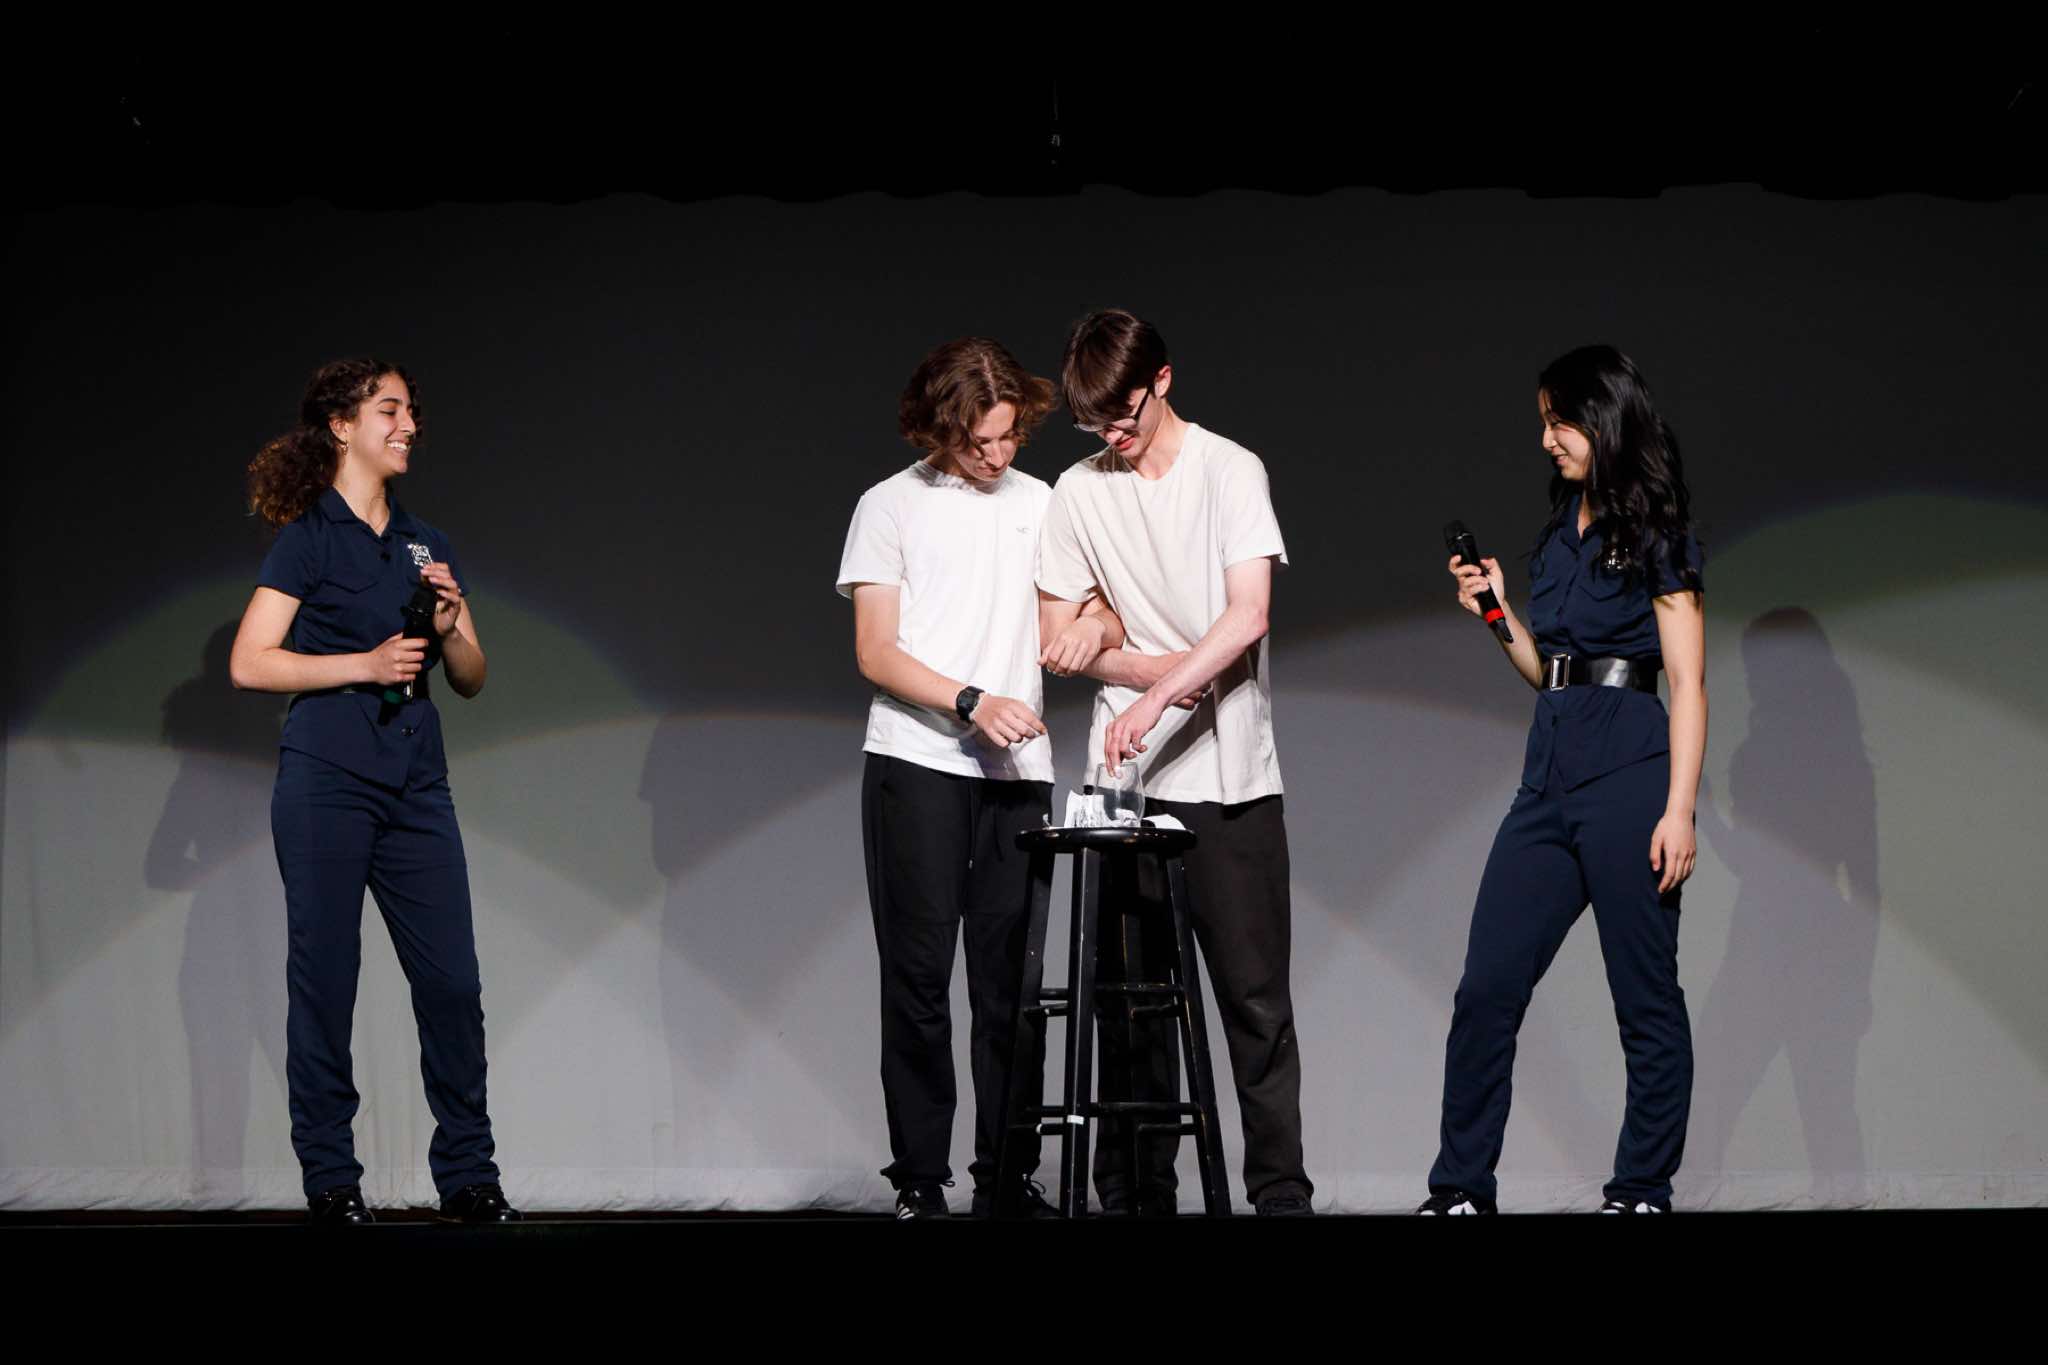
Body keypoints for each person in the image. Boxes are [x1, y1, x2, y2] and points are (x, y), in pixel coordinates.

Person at [1037, 309, 1315, 1217]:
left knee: (1256, 1008)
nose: (1111, 437)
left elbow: (1248, 615)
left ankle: (1281, 1198)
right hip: (1126, 790)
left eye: (1122, 417)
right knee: (1130, 1012)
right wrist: (1151, 666)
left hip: (1231, 783)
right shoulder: (1078, 491)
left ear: (1161, 380)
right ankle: (1135, 1199)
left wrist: (1156, 693)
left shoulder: (1231, 470)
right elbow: (1058, 636)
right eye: (1094, 424)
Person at [838, 337, 1122, 1219]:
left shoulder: (1043, 503)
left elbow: (1102, 610)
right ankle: (920, 1178)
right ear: (938, 429)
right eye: (978, 442)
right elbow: (876, 650)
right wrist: (970, 700)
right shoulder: (888, 505)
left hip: (1016, 771)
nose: (996, 455)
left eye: (1008, 437)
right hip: (917, 762)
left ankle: (1007, 1175)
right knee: (919, 976)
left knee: (1012, 986)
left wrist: (1095, 626)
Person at [229, 358, 517, 1225]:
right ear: (342, 425)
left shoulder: (427, 542)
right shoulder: (309, 536)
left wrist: (449, 626)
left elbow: (470, 675)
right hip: (327, 780)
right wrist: (363, 663)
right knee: (327, 983)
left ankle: (468, 1175)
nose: (409, 426)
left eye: (411, 412)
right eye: (389, 410)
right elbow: (251, 661)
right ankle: (331, 1178)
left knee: (453, 984)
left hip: (416, 783)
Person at [1420, 344, 1706, 1215]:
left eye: (1560, 420)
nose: (1547, 438)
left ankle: (1641, 1190)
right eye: (1544, 422)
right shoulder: (1557, 530)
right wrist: (1495, 613)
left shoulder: (1658, 532)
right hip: (1546, 779)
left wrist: (1680, 810)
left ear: (1605, 417)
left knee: (1644, 1001)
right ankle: (1461, 1189)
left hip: (1631, 778)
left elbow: (1688, 681)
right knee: (1487, 987)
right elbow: (1549, 670)